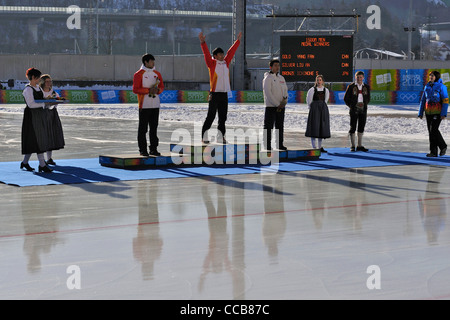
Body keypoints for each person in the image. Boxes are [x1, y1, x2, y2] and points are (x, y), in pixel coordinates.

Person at [199, 31, 242, 144]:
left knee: (223, 117)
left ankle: (221, 137)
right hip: (214, 94)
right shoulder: (211, 64)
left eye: (223, 54)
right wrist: (203, 42)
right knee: (211, 116)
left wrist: (237, 42)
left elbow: (231, 52)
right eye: (220, 55)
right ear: (215, 56)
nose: (223, 56)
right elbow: (206, 54)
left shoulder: (226, 63)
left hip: (224, 94)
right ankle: (204, 136)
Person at [21, 68, 53, 173]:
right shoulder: (28, 89)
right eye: (39, 77)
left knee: (35, 140)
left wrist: (49, 102)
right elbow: (31, 104)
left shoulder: (38, 88)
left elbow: (42, 100)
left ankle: (25, 162)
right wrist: (44, 104)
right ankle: (42, 164)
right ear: (33, 77)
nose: (40, 79)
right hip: (31, 117)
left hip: (39, 116)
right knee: (37, 140)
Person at [133, 53, 164, 156]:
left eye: (153, 61)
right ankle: (143, 150)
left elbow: (162, 87)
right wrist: (148, 90)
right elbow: (135, 89)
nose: (153, 63)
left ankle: (153, 149)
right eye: (151, 61)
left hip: (155, 105)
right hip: (144, 105)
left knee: (154, 128)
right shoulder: (138, 74)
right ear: (145, 62)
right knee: (143, 129)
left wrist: (158, 90)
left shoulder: (157, 73)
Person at [418, 70, 448, 157]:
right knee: (431, 132)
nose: (430, 77)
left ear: (436, 77)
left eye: (433, 75)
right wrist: (420, 112)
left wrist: (443, 113)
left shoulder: (441, 86)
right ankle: (433, 152)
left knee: (433, 130)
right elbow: (423, 100)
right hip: (428, 112)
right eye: (430, 75)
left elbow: (445, 101)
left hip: (437, 112)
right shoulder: (426, 86)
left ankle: (443, 146)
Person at [262, 59, 288, 150]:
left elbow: (285, 91)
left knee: (280, 126)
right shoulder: (267, 78)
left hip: (281, 106)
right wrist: (277, 104)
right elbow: (268, 94)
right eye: (275, 65)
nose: (277, 67)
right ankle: (267, 145)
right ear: (271, 67)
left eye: (278, 65)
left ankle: (279, 144)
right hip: (271, 107)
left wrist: (284, 102)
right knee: (269, 127)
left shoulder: (281, 78)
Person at [39, 74, 65, 165]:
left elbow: (56, 102)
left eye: (50, 81)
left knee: (51, 135)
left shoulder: (53, 92)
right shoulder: (39, 92)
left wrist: (54, 102)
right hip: (42, 115)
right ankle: (42, 160)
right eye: (47, 81)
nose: (49, 83)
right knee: (43, 136)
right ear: (42, 82)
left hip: (52, 114)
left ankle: (49, 158)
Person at [344, 71, 371, 152]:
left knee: (361, 126)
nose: (359, 79)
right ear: (355, 78)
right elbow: (346, 98)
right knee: (353, 127)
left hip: (363, 109)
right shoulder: (351, 86)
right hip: (354, 109)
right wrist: (352, 106)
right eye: (358, 77)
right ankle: (352, 146)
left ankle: (359, 145)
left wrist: (364, 105)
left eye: (360, 77)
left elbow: (368, 98)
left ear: (363, 78)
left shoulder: (366, 86)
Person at [305, 74, 330, 152]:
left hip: (322, 109)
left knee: (321, 127)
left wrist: (322, 107)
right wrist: (311, 108)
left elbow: (326, 100)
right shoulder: (312, 90)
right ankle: (314, 147)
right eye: (317, 80)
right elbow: (308, 100)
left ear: (322, 81)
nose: (319, 81)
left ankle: (320, 147)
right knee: (314, 127)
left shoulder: (326, 90)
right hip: (315, 109)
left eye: (320, 80)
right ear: (316, 81)